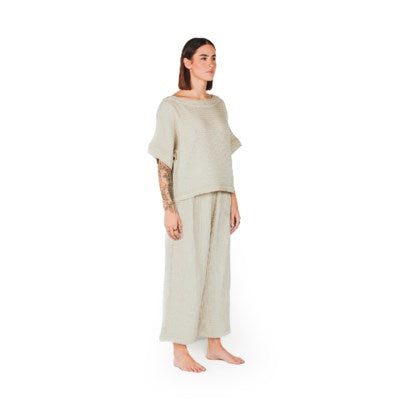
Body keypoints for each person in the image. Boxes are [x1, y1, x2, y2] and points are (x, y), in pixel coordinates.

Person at [147, 37, 245, 372]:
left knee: (218, 272)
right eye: (203, 57)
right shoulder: (171, 106)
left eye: (214, 57)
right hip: (188, 198)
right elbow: (163, 160)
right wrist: (168, 208)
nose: (211, 63)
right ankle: (179, 349)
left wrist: (233, 197)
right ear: (187, 62)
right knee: (186, 271)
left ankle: (214, 344)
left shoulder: (218, 105)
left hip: (220, 194)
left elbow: (223, 156)